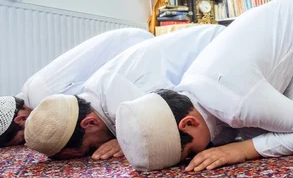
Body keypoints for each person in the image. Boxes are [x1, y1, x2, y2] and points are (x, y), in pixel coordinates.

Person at [115, 0, 293, 171]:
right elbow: (222, 128)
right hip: (264, 56)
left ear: (188, 123)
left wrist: (242, 150)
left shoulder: (235, 102)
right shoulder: (191, 90)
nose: (198, 154)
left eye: (191, 150)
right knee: (266, 132)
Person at [24, 24, 225, 160]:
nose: (98, 150)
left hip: (221, 49)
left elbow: (193, 122)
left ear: (90, 122)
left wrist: (131, 137)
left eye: (91, 148)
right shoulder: (94, 89)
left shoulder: (131, 99)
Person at [0, 28, 153, 147]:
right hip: (133, 44)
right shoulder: (29, 90)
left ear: (21, 119)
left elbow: (95, 109)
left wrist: (126, 139)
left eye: (20, 141)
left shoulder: (44, 99)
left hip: (136, 48)